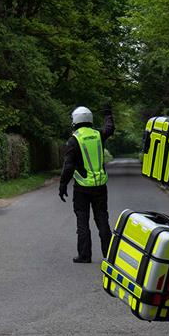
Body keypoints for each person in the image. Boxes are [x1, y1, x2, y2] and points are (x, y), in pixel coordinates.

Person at [59, 105, 115, 263]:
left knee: (82, 222)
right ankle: (109, 254)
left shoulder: (74, 139)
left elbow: (68, 166)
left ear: (75, 120)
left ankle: (84, 255)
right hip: (100, 187)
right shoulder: (98, 134)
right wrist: (107, 113)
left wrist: (63, 185)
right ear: (89, 119)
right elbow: (110, 128)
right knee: (102, 219)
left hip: (82, 188)